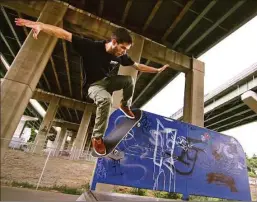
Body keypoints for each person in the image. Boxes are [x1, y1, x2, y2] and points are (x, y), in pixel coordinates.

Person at [15, 18, 169, 156]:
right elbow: (64, 34)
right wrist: (41, 25)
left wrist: (156, 70)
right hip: (93, 86)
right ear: (114, 42)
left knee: (129, 80)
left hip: (107, 81)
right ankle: (97, 137)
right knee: (106, 99)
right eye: (123, 48)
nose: (124, 52)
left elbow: (137, 66)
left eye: (126, 50)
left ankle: (124, 105)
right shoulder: (90, 46)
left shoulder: (121, 55)